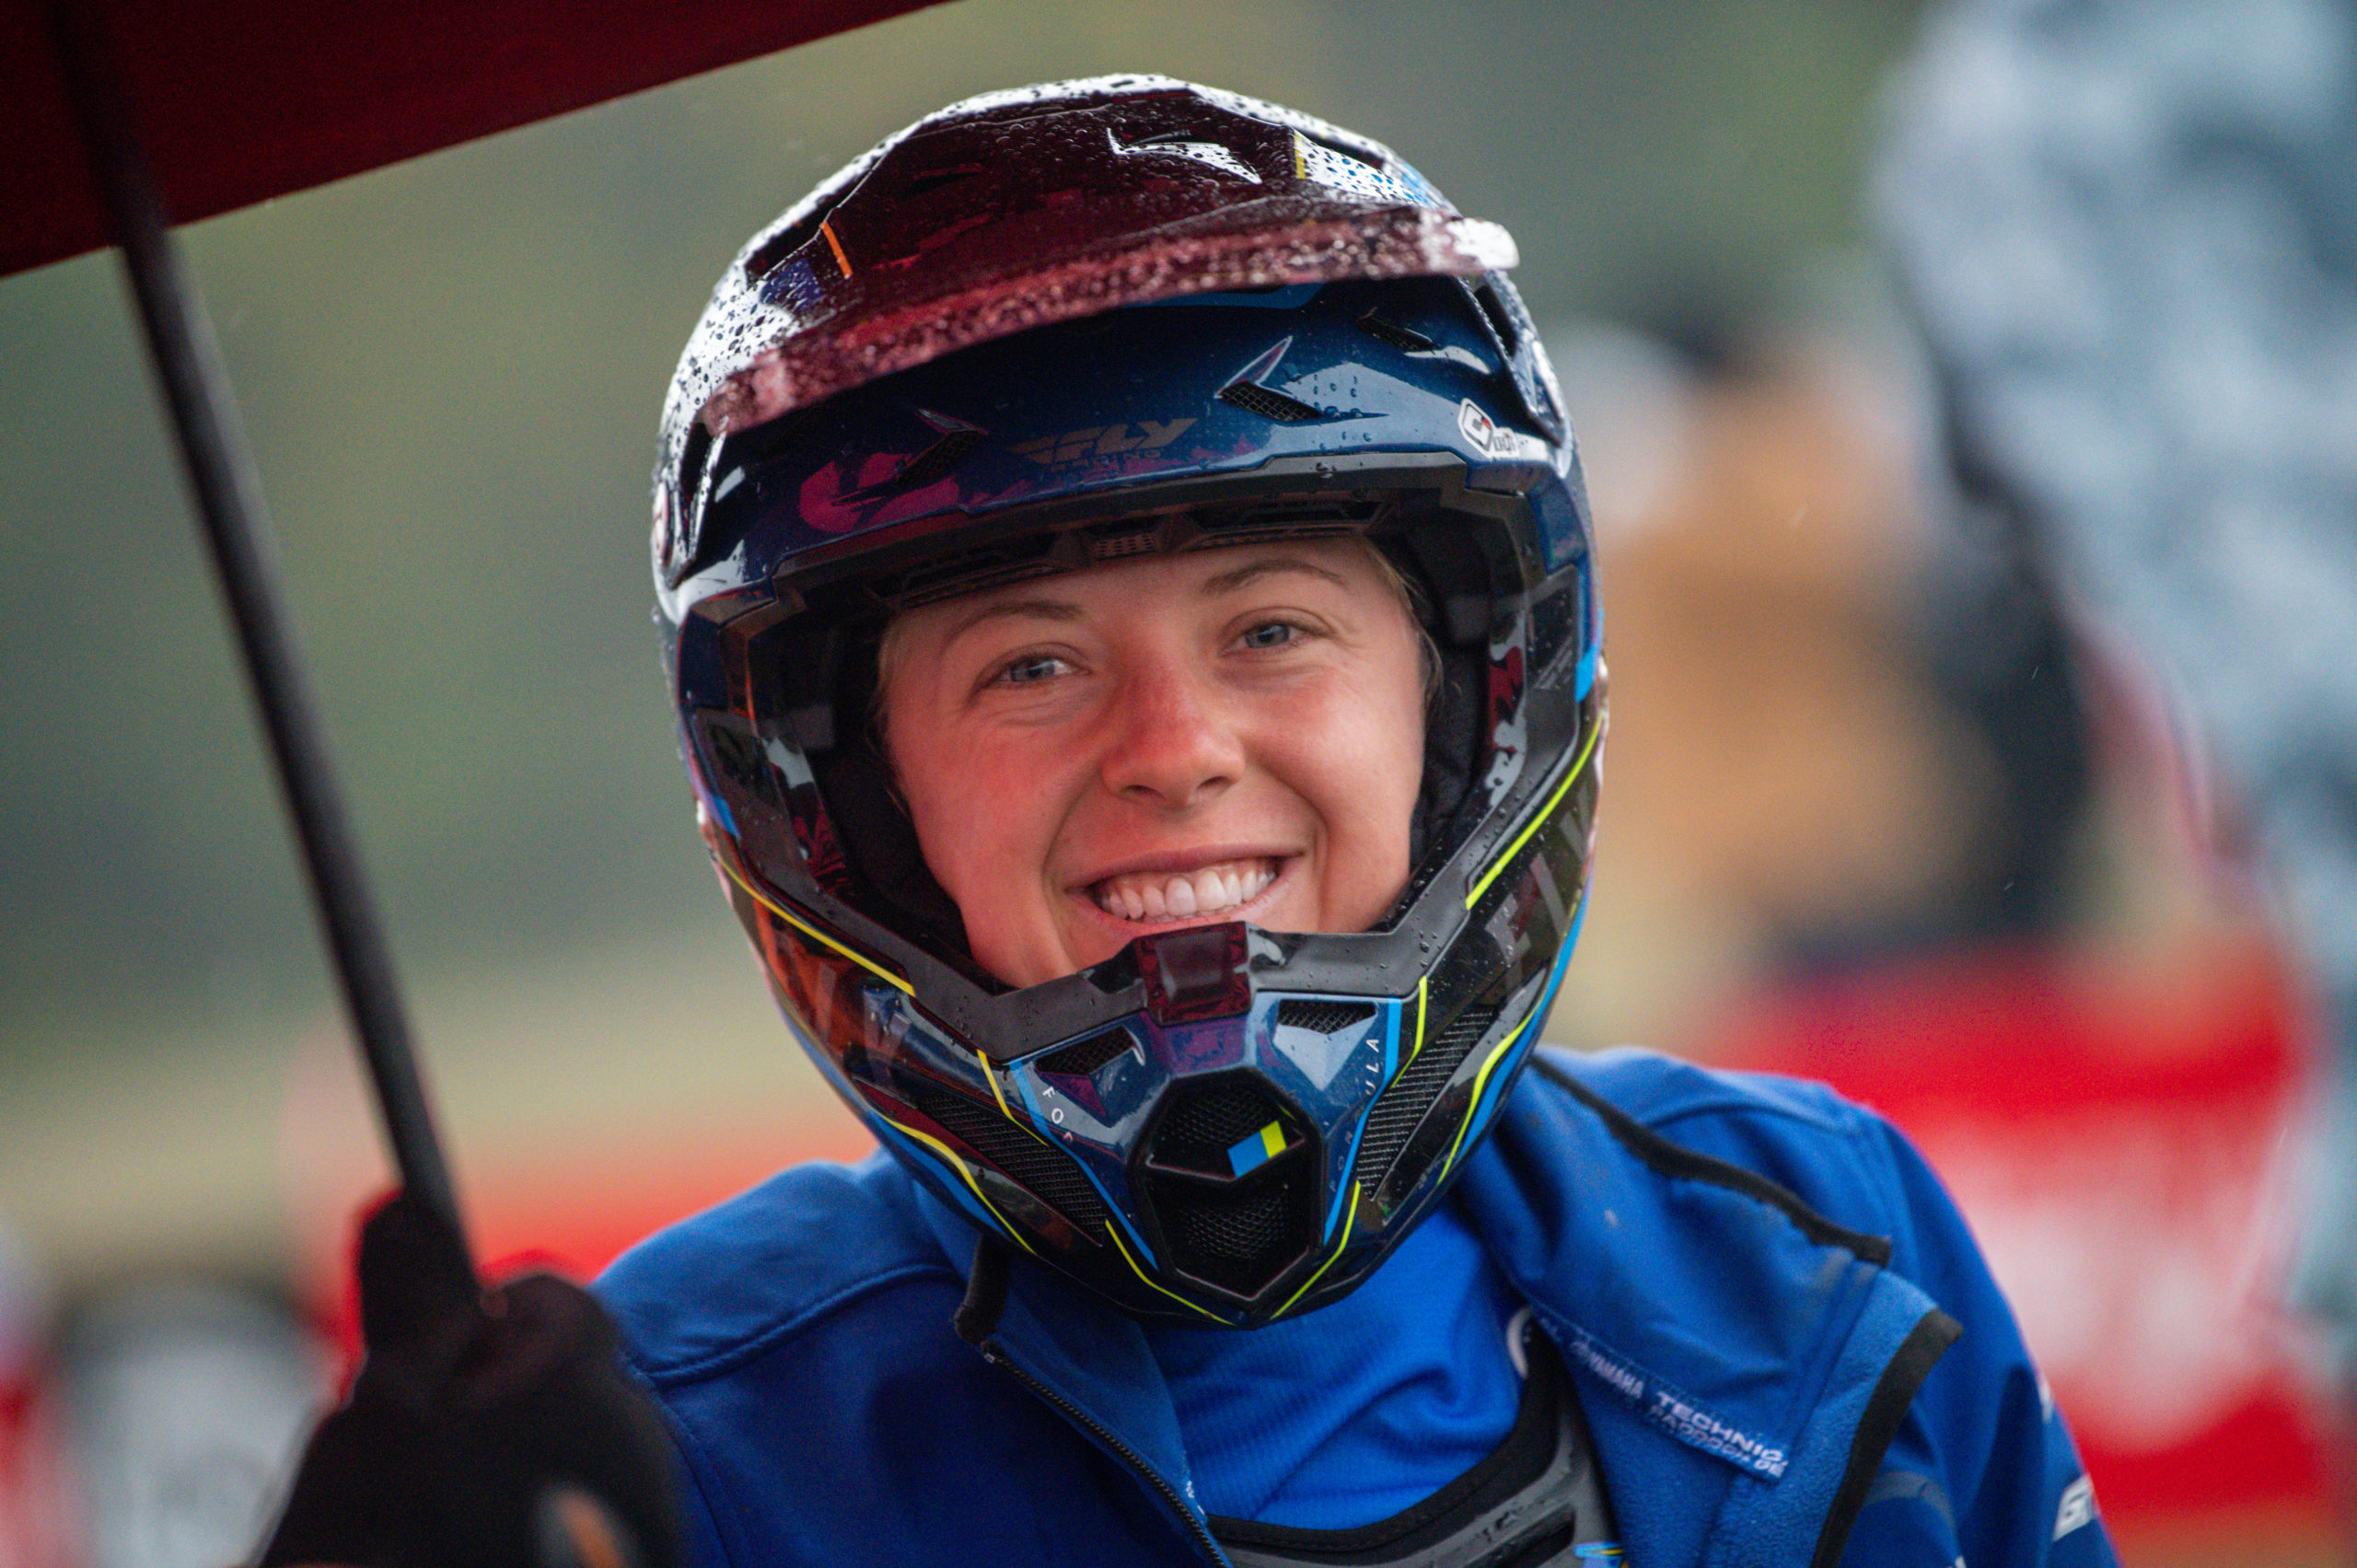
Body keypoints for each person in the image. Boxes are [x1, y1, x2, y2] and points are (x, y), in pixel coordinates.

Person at [259, 77, 2118, 1568]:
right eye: (1028, 669)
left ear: (1468, 700)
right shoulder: (657, 1469)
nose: (1173, 746)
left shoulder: (1819, 1249)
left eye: (1273, 630)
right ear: (845, 800)